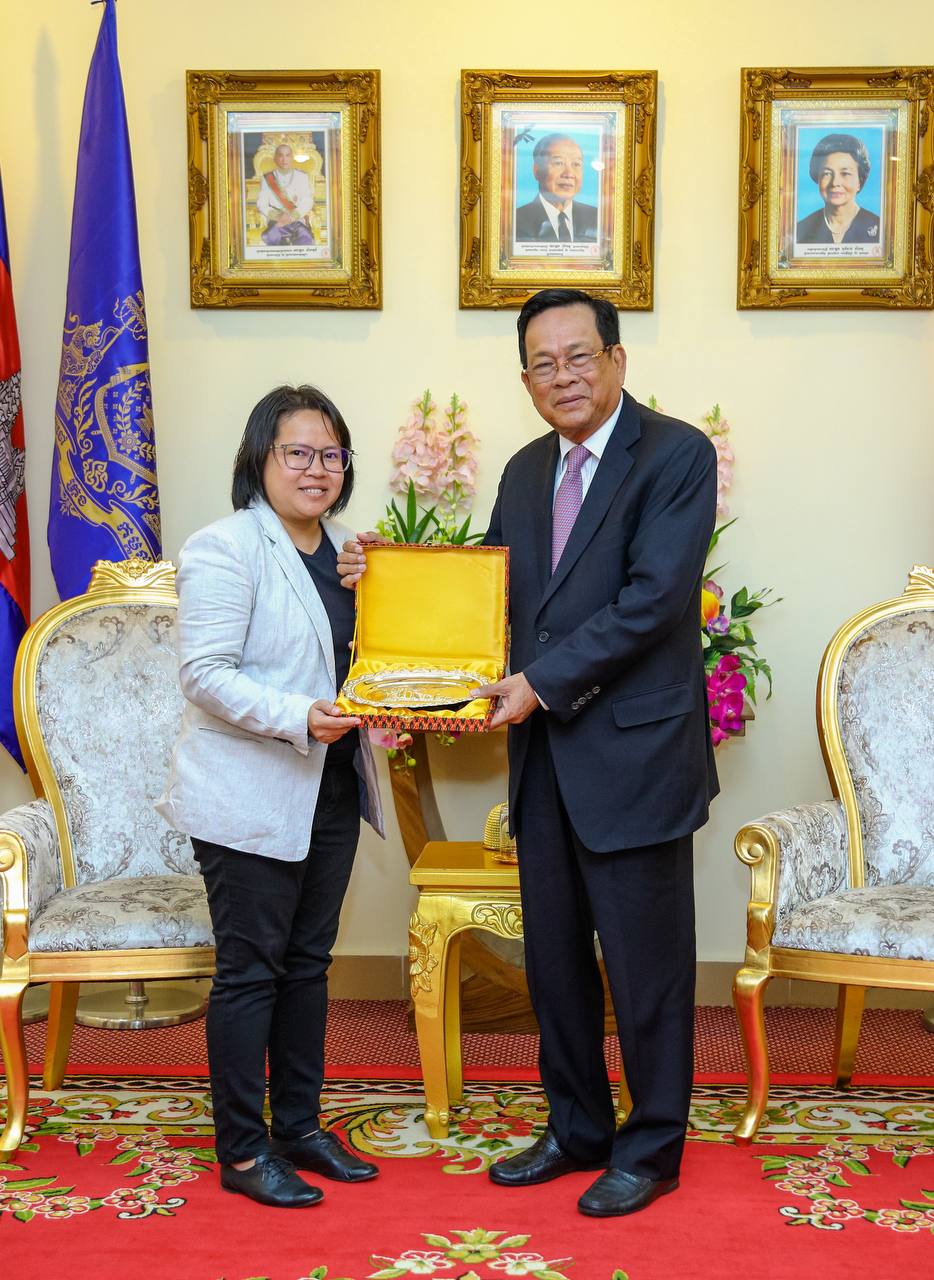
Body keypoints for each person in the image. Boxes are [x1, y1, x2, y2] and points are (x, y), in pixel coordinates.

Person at [338, 288, 718, 1217]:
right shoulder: (521, 470)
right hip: (546, 762)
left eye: (579, 356)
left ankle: (652, 1148)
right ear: (525, 381)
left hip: (635, 758)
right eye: (543, 364)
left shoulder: (675, 455)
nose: (564, 376)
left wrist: (539, 684)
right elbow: (490, 603)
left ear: (617, 359)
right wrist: (391, 577)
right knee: (554, 962)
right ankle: (577, 1127)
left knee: (647, 970)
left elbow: (653, 600)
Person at [156, 384, 384, 1209]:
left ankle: (298, 1127)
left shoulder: (351, 555)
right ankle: (244, 1153)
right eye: (298, 453)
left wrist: (382, 591)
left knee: (309, 965)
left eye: (332, 454)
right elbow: (205, 674)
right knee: (251, 972)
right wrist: (299, 716)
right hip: (248, 792)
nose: (317, 469)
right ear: (260, 459)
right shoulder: (223, 548)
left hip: (332, 786)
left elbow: (373, 657)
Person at [795, 133, 880, 246]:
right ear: (818, 178)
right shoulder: (800, 230)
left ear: (859, 181)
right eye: (827, 174)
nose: (835, 183)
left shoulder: (880, 228)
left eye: (845, 173)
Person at [514, 134, 599, 244]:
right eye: (558, 163)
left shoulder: (597, 217)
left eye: (576, 164)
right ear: (537, 171)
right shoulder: (514, 221)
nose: (569, 174)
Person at [256, 144, 315, 246]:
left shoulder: (302, 176)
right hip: (276, 221)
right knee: (271, 237)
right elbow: (261, 203)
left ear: (292, 157)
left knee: (305, 237)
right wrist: (277, 216)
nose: (284, 159)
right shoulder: (268, 178)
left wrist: (294, 215)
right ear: (275, 158)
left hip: (296, 219)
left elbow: (307, 201)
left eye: (287, 155)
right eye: (280, 155)